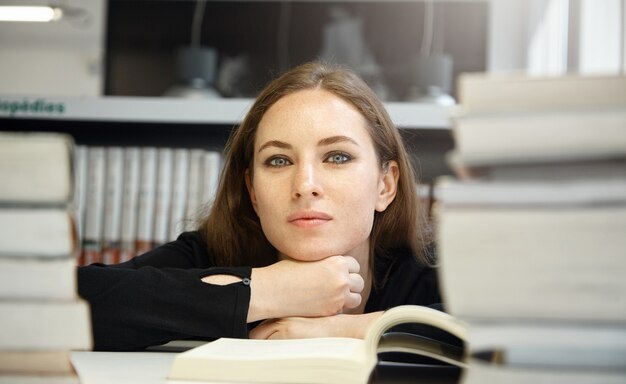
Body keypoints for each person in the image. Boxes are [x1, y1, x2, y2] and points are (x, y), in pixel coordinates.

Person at [78, 61, 441, 351]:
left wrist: (347, 328)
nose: (305, 186)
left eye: (337, 156)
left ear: (385, 185)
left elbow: (493, 335)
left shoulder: (427, 267)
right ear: (252, 189)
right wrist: (265, 290)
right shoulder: (213, 252)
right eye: (279, 161)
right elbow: (72, 300)